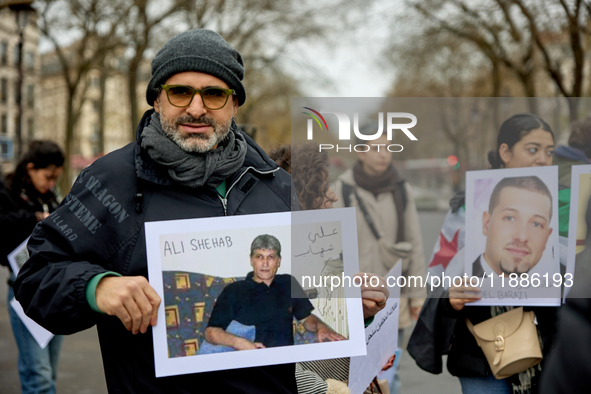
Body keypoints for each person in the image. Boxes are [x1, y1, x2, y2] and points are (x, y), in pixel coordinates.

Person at [14, 30, 301, 394]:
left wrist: (356, 309)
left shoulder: (278, 183)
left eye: (214, 94)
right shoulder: (110, 181)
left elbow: (304, 309)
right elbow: (35, 276)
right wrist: (95, 288)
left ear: (234, 105)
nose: (196, 109)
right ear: (157, 99)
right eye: (180, 92)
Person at [410, 113, 558, 394]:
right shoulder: (467, 208)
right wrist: (452, 299)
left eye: (549, 152)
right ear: (505, 152)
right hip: (480, 356)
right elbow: (437, 279)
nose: (542, 159)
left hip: (545, 354)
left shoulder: (561, 207)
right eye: (532, 149)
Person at [273, 143, 391, 394]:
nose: (333, 195)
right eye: (324, 187)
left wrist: (364, 314)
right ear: (304, 194)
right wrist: (325, 389)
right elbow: (269, 358)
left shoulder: (323, 248)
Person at [331, 128, 427, 394]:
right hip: (355, 300)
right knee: (352, 376)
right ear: (359, 152)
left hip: (394, 297)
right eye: (376, 148)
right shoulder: (342, 189)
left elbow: (415, 243)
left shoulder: (402, 189)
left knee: (390, 373)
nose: (384, 154)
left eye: (388, 147)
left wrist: (418, 297)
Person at [0, 140, 64, 394]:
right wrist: (36, 218)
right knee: (39, 376)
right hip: (24, 293)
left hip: (54, 290)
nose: (51, 183)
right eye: (48, 176)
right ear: (30, 168)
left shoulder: (50, 197)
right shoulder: (6, 194)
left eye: (55, 178)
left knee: (49, 371)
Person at [205, 234, 344, 349]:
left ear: (279, 261)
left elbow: (306, 318)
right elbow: (211, 332)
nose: (265, 263)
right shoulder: (234, 290)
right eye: (259, 257)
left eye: (271, 257)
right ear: (251, 260)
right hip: (247, 363)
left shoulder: (288, 283)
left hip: (284, 362)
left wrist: (321, 327)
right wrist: (241, 343)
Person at [473, 176, 553, 277]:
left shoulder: (565, 286)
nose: (522, 237)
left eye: (536, 224)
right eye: (510, 218)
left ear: (547, 237)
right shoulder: (454, 284)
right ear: (487, 224)